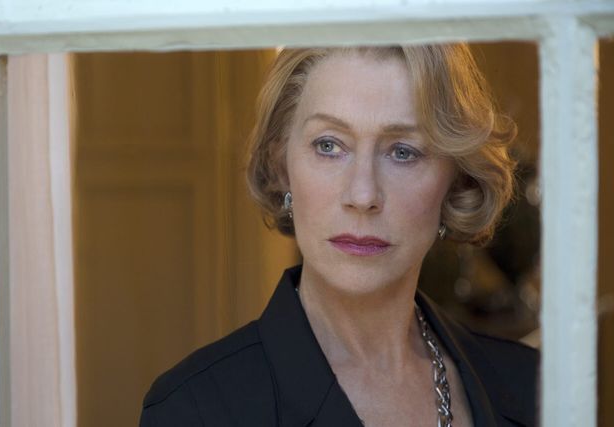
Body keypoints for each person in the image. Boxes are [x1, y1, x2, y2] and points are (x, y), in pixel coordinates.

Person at [139, 45, 538, 427]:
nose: (363, 196)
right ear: (281, 166)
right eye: (328, 145)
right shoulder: (194, 410)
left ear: (455, 180)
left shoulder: (533, 388)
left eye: (403, 151)